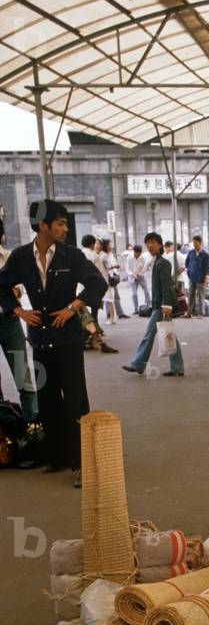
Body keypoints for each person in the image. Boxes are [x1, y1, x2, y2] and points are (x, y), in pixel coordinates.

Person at [0, 199, 106, 485]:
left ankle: (81, 463)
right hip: (40, 338)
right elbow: (2, 286)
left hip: (69, 339)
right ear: (42, 226)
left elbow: (97, 283)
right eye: (60, 224)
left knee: (75, 401)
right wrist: (18, 310)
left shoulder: (72, 256)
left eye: (65, 223)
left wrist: (73, 307)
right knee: (47, 400)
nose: (65, 229)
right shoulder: (21, 257)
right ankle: (56, 457)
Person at [122, 231, 184, 378]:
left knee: (149, 335)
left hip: (161, 306)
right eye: (147, 243)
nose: (149, 245)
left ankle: (138, 363)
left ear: (160, 244)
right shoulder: (156, 261)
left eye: (153, 242)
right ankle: (177, 367)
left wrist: (166, 305)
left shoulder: (162, 263)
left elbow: (166, 286)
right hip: (159, 305)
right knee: (169, 335)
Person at [0, 217, 39, 421]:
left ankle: (32, 425)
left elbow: (18, 290)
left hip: (9, 322)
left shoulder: (9, 257)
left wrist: (10, 291)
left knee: (23, 377)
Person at [80, 235, 118, 353]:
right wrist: (105, 287)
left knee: (86, 315)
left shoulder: (79, 254)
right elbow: (101, 274)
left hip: (81, 289)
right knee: (91, 316)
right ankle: (91, 340)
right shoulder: (94, 256)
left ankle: (94, 339)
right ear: (92, 244)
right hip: (93, 289)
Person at [185, 235, 209, 318]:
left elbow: (207, 267)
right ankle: (189, 312)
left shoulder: (205, 255)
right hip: (192, 277)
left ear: (200, 243)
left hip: (201, 278)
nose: (194, 245)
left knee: (200, 295)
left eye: (196, 243)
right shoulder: (191, 252)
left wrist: (206, 277)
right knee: (190, 295)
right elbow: (187, 263)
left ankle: (201, 313)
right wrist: (189, 271)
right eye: (193, 243)